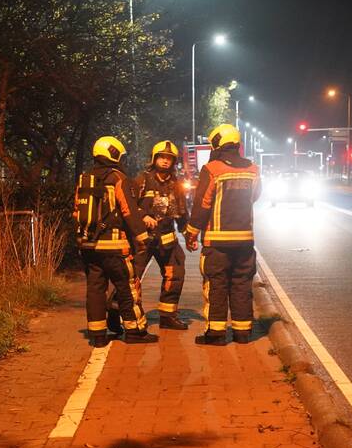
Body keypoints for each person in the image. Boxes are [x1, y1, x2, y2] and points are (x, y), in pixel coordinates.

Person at [183, 124, 261, 345]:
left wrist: (191, 232)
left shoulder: (212, 169)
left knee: (217, 285)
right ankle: (242, 333)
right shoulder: (253, 169)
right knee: (242, 284)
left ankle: (216, 334)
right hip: (245, 240)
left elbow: (202, 205)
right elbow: (255, 196)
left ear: (216, 143)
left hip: (217, 241)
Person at [74, 135, 155, 346]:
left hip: (90, 246)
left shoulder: (85, 177)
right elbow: (129, 211)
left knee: (95, 289)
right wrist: (142, 238)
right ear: (115, 154)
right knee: (127, 287)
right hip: (115, 246)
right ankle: (134, 331)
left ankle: (98, 335)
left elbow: (76, 212)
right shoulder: (118, 178)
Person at [133, 140, 189, 330]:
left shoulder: (176, 185)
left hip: (166, 237)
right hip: (143, 238)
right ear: (154, 158)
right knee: (131, 276)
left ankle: (167, 315)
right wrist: (144, 215)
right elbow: (128, 206)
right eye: (162, 157)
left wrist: (189, 234)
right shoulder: (142, 180)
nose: (165, 161)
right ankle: (122, 313)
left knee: (176, 272)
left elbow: (182, 212)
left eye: (169, 158)